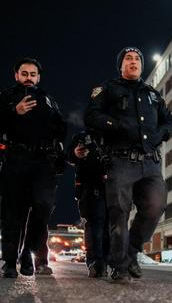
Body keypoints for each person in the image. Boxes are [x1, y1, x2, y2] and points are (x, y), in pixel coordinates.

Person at [84, 47, 172, 282]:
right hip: (120, 161)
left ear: (142, 65)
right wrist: (118, 126)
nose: (133, 62)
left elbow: (169, 121)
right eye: (128, 58)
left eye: (137, 59)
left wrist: (159, 135)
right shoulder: (108, 89)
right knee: (119, 215)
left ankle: (131, 254)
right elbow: (91, 117)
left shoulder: (152, 94)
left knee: (156, 206)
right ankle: (119, 267)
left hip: (150, 163)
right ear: (121, 65)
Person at [0, 57, 67, 278]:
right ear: (16, 75)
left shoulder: (47, 99)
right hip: (16, 159)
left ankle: (26, 252)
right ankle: (10, 261)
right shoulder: (6, 97)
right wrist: (14, 112)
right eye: (24, 73)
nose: (28, 78)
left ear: (38, 77)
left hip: (42, 162)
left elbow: (61, 127)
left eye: (33, 74)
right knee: (13, 213)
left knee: (44, 206)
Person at [67, 130, 109, 278]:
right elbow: (69, 155)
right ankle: (95, 263)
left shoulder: (116, 129)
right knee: (94, 225)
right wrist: (75, 153)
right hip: (91, 188)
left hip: (113, 186)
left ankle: (104, 262)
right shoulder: (83, 136)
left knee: (110, 227)